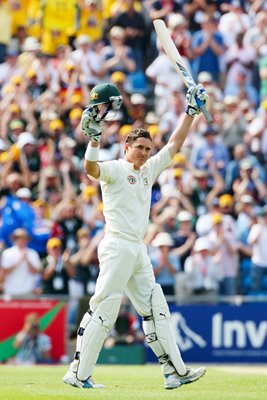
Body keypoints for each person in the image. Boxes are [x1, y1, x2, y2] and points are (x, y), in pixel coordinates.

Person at [63, 81, 208, 389]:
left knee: (156, 308)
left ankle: (174, 372)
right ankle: (78, 372)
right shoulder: (116, 168)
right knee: (104, 309)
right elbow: (91, 169)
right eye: (138, 148)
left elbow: (174, 145)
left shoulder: (148, 171)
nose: (143, 152)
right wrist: (94, 139)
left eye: (146, 149)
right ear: (126, 148)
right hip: (116, 246)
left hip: (138, 250)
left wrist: (191, 112)